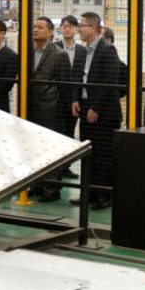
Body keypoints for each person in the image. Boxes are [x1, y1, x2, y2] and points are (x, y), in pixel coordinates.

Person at [71, 12, 122, 211]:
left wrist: (95, 107)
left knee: (103, 155)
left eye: (81, 26)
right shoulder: (84, 51)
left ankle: (105, 194)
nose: (78, 29)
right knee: (89, 153)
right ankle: (89, 193)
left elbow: (110, 81)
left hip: (104, 113)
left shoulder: (108, 50)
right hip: (85, 109)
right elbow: (77, 77)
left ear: (93, 28)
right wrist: (75, 99)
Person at [28, 17, 69, 202]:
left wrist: (60, 112)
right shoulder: (27, 52)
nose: (35, 30)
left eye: (40, 27)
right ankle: (37, 184)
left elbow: (64, 86)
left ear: (51, 32)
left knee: (51, 150)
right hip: (30, 108)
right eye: (34, 27)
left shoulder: (59, 54)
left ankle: (52, 188)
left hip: (51, 110)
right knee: (34, 148)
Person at [53, 15, 87, 178]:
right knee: (56, 132)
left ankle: (66, 167)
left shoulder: (82, 51)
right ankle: (54, 169)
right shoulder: (54, 48)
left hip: (74, 99)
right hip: (55, 98)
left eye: (70, 26)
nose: (67, 29)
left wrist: (75, 98)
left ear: (76, 30)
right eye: (64, 26)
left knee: (69, 133)